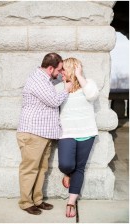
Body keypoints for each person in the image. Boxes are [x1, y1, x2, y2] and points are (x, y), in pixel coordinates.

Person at [16, 53, 73, 215]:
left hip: (43, 133)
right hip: (33, 133)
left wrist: (62, 79)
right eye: (59, 69)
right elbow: (54, 101)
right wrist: (67, 89)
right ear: (50, 68)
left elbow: (52, 84)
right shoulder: (37, 80)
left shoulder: (45, 80)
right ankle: (26, 202)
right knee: (30, 169)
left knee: (41, 169)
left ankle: (37, 200)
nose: (61, 73)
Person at [57, 58, 99, 218]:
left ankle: (71, 201)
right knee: (66, 164)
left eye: (63, 70)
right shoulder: (60, 87)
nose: (61, 73)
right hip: (66, 133)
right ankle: (67, 174)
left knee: (80, 168)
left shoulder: (88, 83)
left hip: (86, 132)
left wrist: (79, 75)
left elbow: (93, 95)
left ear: (71, 70)